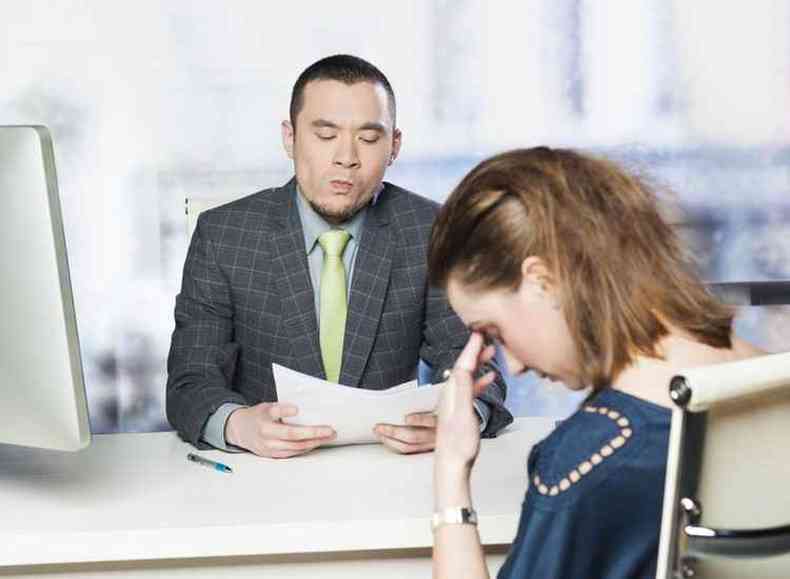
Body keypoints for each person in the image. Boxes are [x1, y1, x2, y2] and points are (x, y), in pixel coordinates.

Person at [427, 147, 764, 578]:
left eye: (494, 331)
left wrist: (450, 471)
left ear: (543, 281)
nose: (513, 365)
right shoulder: (769, 380)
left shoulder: (594, 457)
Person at [166, 54, 512, 459]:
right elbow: (190, 380)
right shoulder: (224, 234)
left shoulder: (435, 230)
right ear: (289, 138)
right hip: (261, 476)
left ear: (394, 146)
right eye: (325, 135)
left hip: (389, 468)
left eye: (368, 139)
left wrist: (454, 417)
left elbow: (473, 364)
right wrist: (237, 424)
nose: (346, 157)